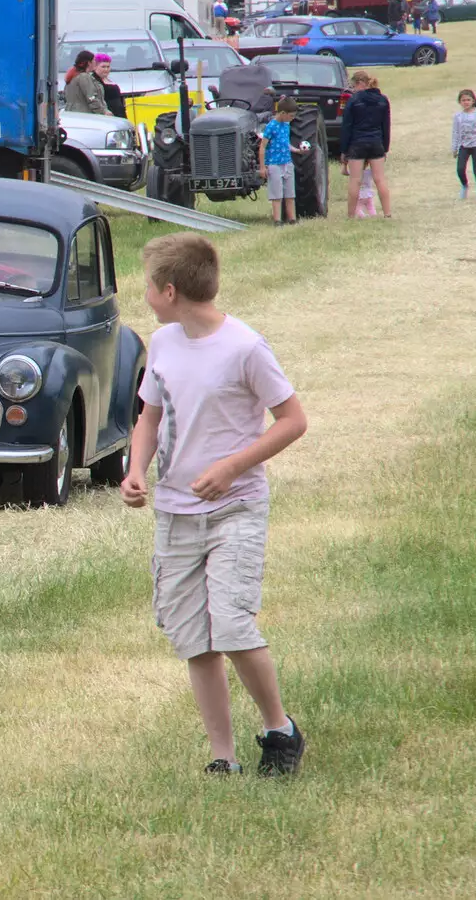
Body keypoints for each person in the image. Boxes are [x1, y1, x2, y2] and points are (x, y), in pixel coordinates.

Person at [120, 233, 308, 777]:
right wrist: (135, 473)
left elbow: (293, 420)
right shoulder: (161, 344)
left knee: (229, 623)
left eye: (149, 286)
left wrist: (232, 468)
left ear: (170, 290)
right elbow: (149, 419)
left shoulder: (245, 347)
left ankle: (280, 731)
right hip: (176, 513)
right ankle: (222, 758)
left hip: (236, 508)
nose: (146, 294)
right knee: (192, 637)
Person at [340, 71, 392, 218]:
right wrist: (385, 148)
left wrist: (344, 150)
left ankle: (351, 215)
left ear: (360, 83)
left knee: (355, 180)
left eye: (354, 86)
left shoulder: (354, 100)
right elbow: (386, 126)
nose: (353, 89)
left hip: (357, 143)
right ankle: (387, 213)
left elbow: (347, 126)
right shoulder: (383, 100)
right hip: (376, 142)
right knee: (380, 179)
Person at [257, 97, 307, 225]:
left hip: (287, 162)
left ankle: (292, 219)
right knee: (277, 194)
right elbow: (262, 146)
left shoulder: (286, 125)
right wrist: (263, 167)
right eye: (291, 116)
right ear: (283, 113)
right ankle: (277, 220)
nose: (292, 118)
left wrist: (296, 150)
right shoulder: (271, 126)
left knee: (290, 193)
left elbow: (285, 143)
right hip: (274, 164)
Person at [452, 90, 476, 201]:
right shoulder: (458, 116)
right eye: (463, 100)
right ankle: (464, 185)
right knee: (460, 169)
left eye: (468, 100)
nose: (466, 102)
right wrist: (454, 147)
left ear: (473, 101)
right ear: (459, 102)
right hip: (464, 146)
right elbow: (456, 132)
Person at [93, 53, 126, 118]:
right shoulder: (92, 81)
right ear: (95, 67)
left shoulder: (111, 80)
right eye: (103, 67)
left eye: (108, 67)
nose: (106, 69)